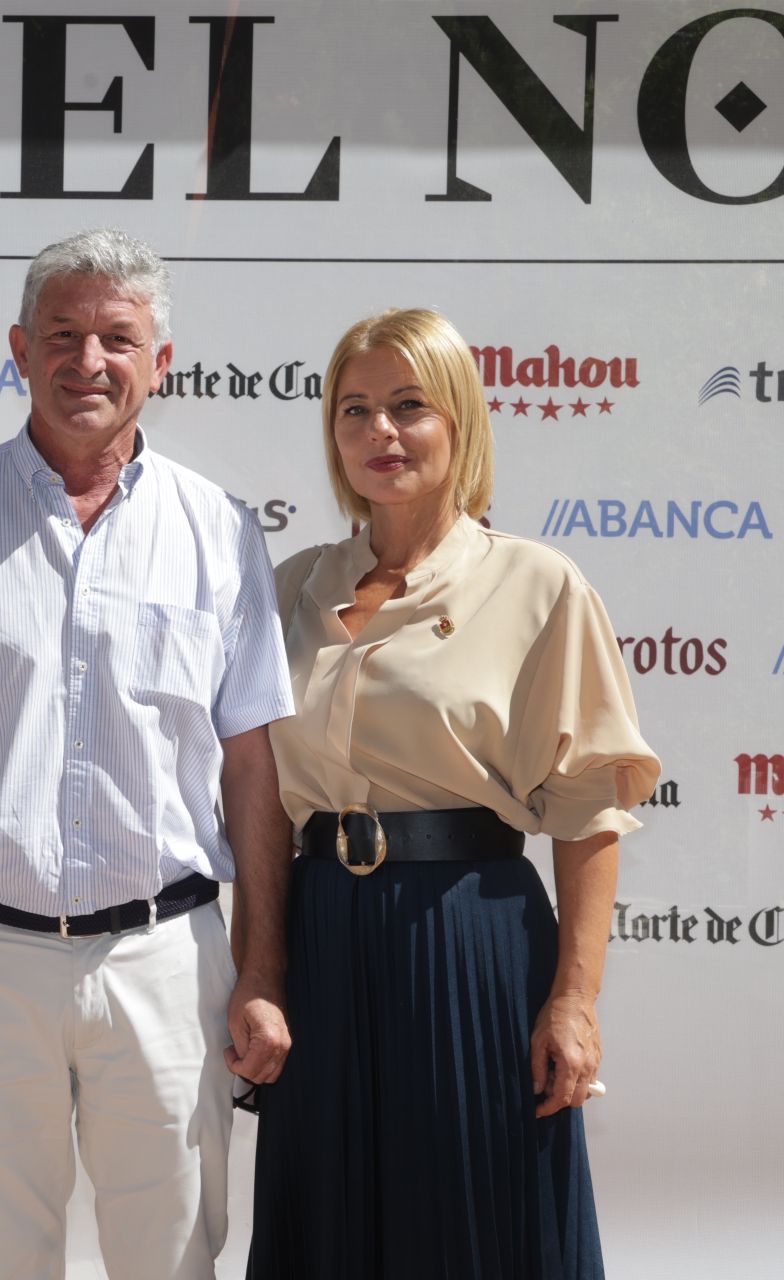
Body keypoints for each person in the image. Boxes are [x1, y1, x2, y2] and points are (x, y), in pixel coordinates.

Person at [0, 227, 297, 1280]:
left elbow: (254, 770)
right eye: (63, 334)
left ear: (160, 362)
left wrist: (259, 971)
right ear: (18, 350)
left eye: (117, 338)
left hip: (168, 967)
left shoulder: (217, 529)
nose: (90, 360)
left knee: (174, 1262)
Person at [245, 307, 660, 1279]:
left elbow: (591, 808)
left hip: (467, 937)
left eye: (408, 406)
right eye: (355, 410)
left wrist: (573, 998)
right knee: (328, 1216)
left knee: (471, 1217)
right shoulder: (292, 585)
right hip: (323, 937)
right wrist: (259, 969)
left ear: (460, 422)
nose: (380, 432)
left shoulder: (537, 585)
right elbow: (260, 803)